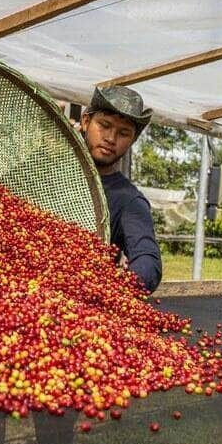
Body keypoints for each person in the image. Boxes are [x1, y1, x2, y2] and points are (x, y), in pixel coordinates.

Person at [80, 85, 162, 293]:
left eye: (123, 133)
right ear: (86, 121)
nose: (110, 138)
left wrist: (113, 292)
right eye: (104, 125)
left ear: (132, 140)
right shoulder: (44, 170)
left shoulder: (128, 201)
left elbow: (147, 260)